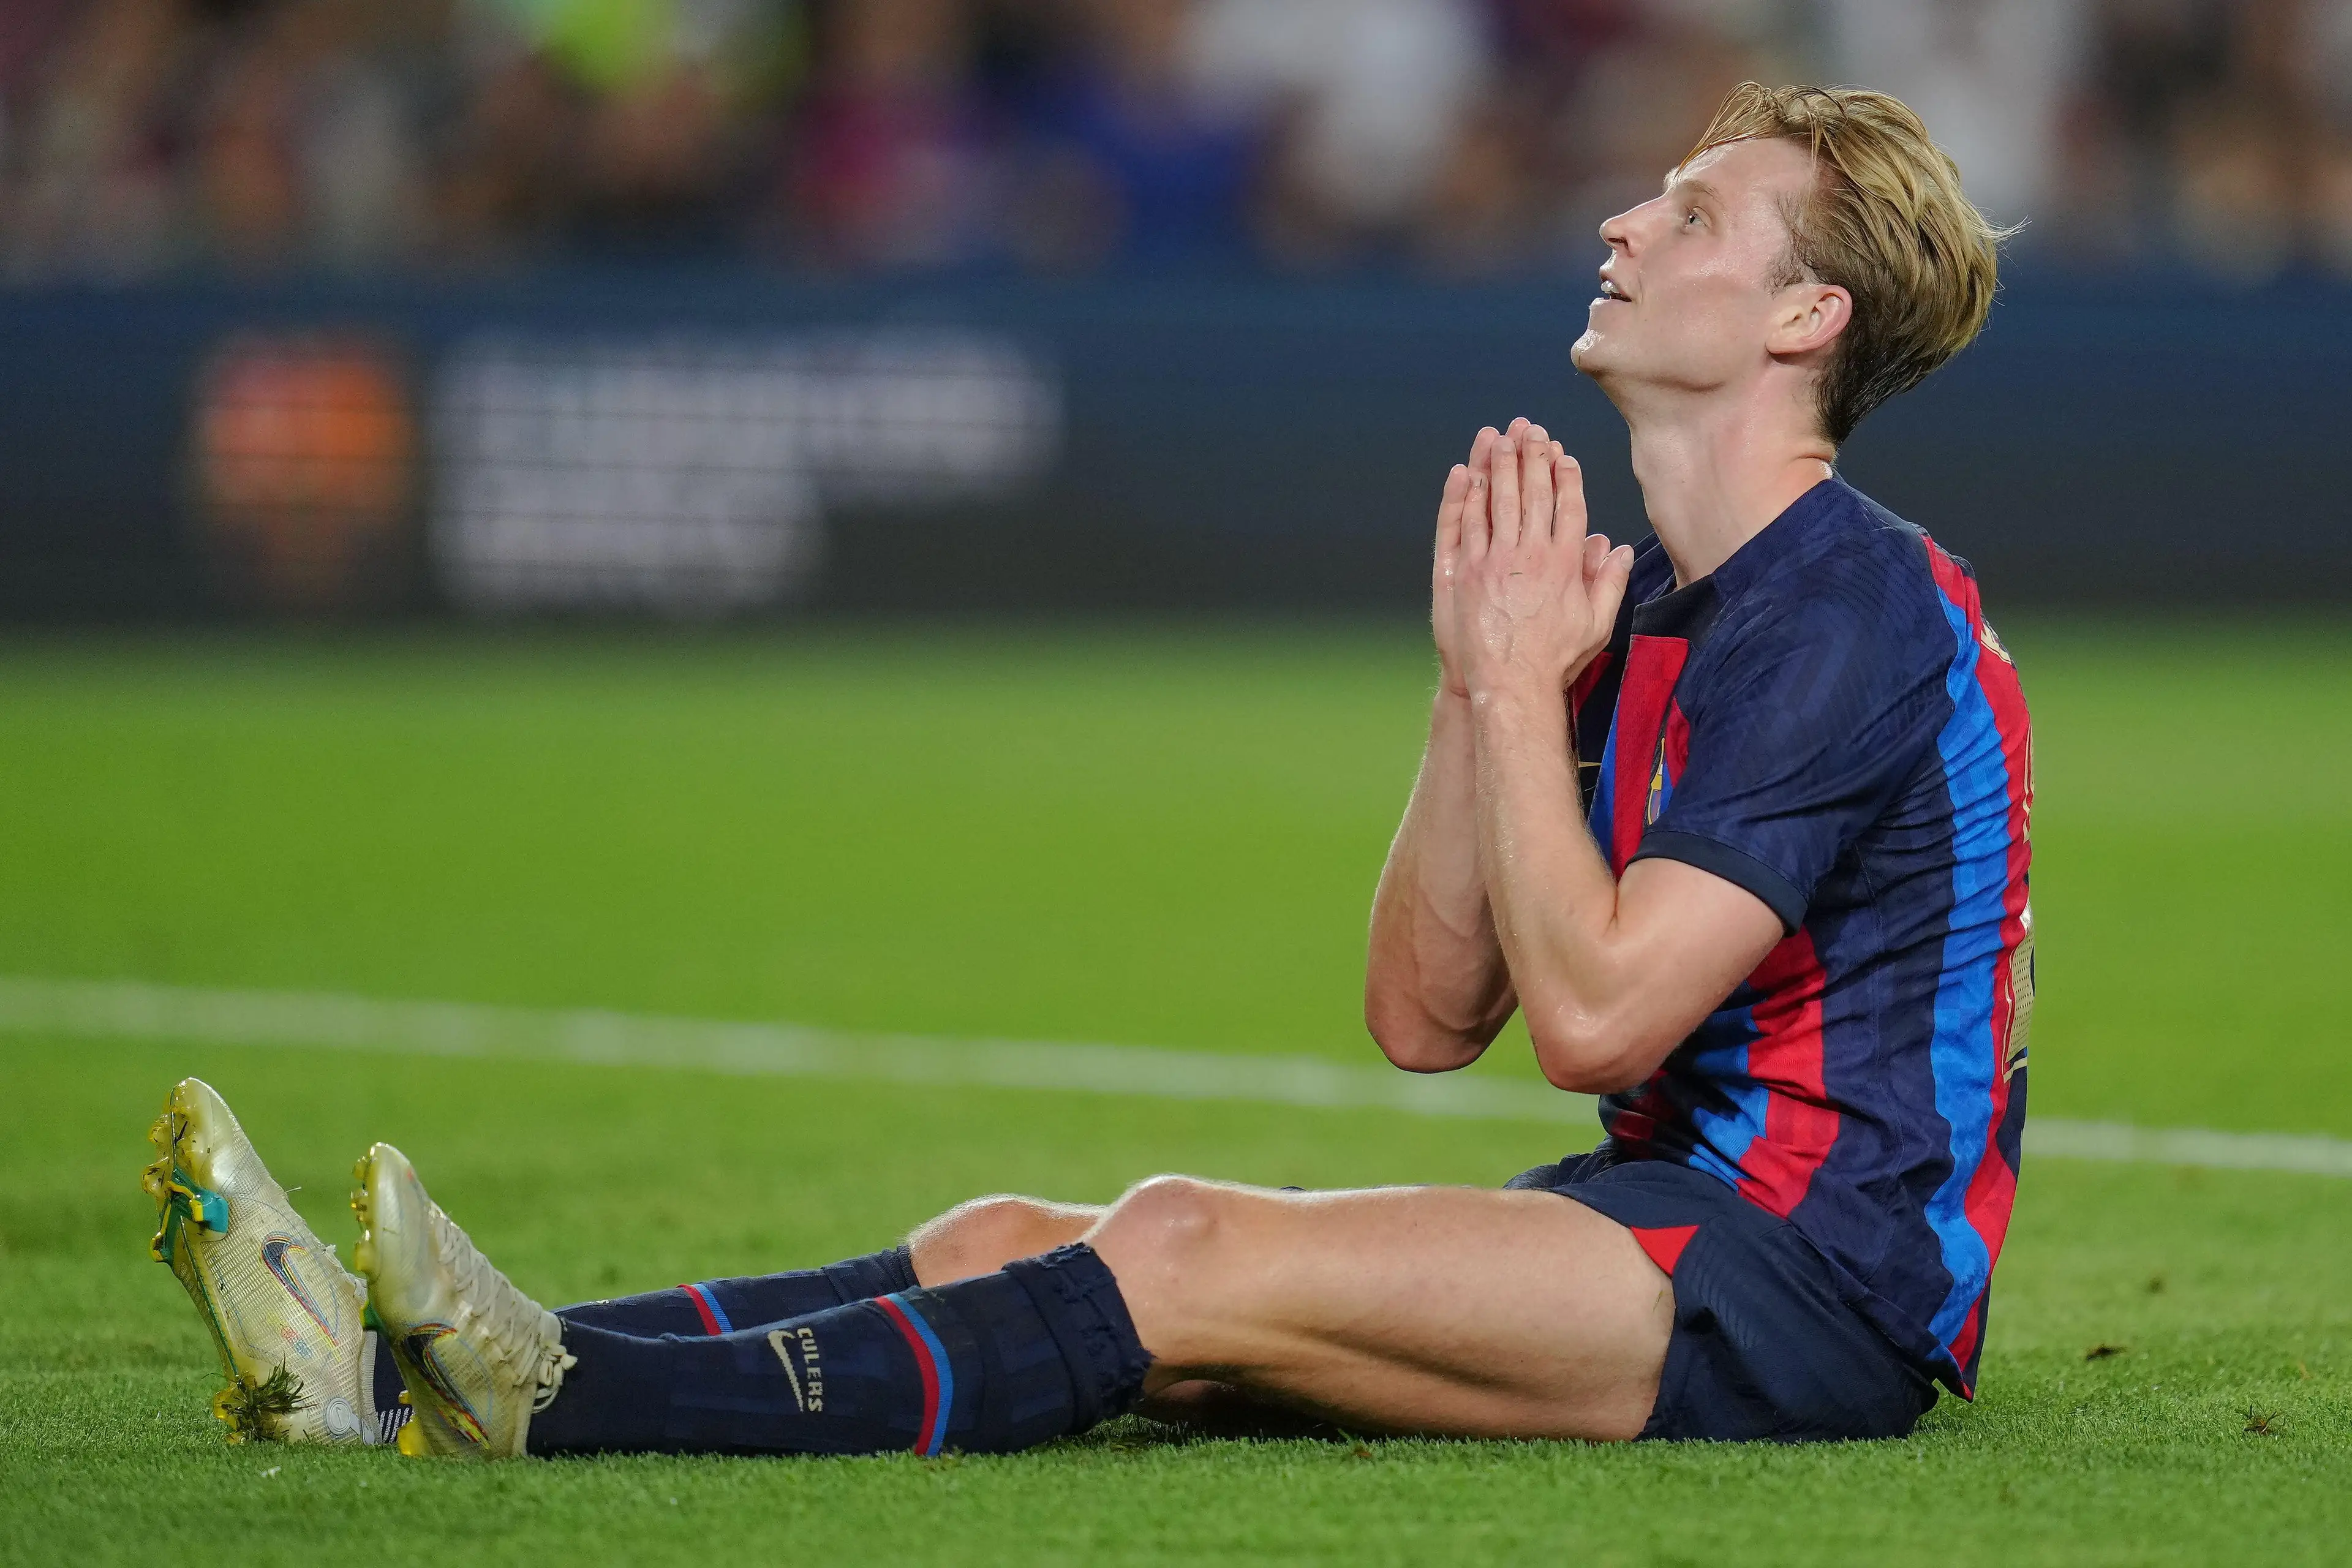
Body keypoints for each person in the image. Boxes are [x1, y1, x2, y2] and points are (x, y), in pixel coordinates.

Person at [143, 82, 2031, 1456]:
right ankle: (381, 1377)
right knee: (1000, 1242)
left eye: (1694, 214)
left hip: (1810, 1284)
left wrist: (1524, 687)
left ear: (1805, 321)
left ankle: (546, 1402)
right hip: (1656, 1225)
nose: (1624, 223)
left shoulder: (1853, 604)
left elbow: (1601, 1018)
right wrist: (1483, 683)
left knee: (1183, 1247)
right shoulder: (1638, 605)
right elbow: (1419, 1014)